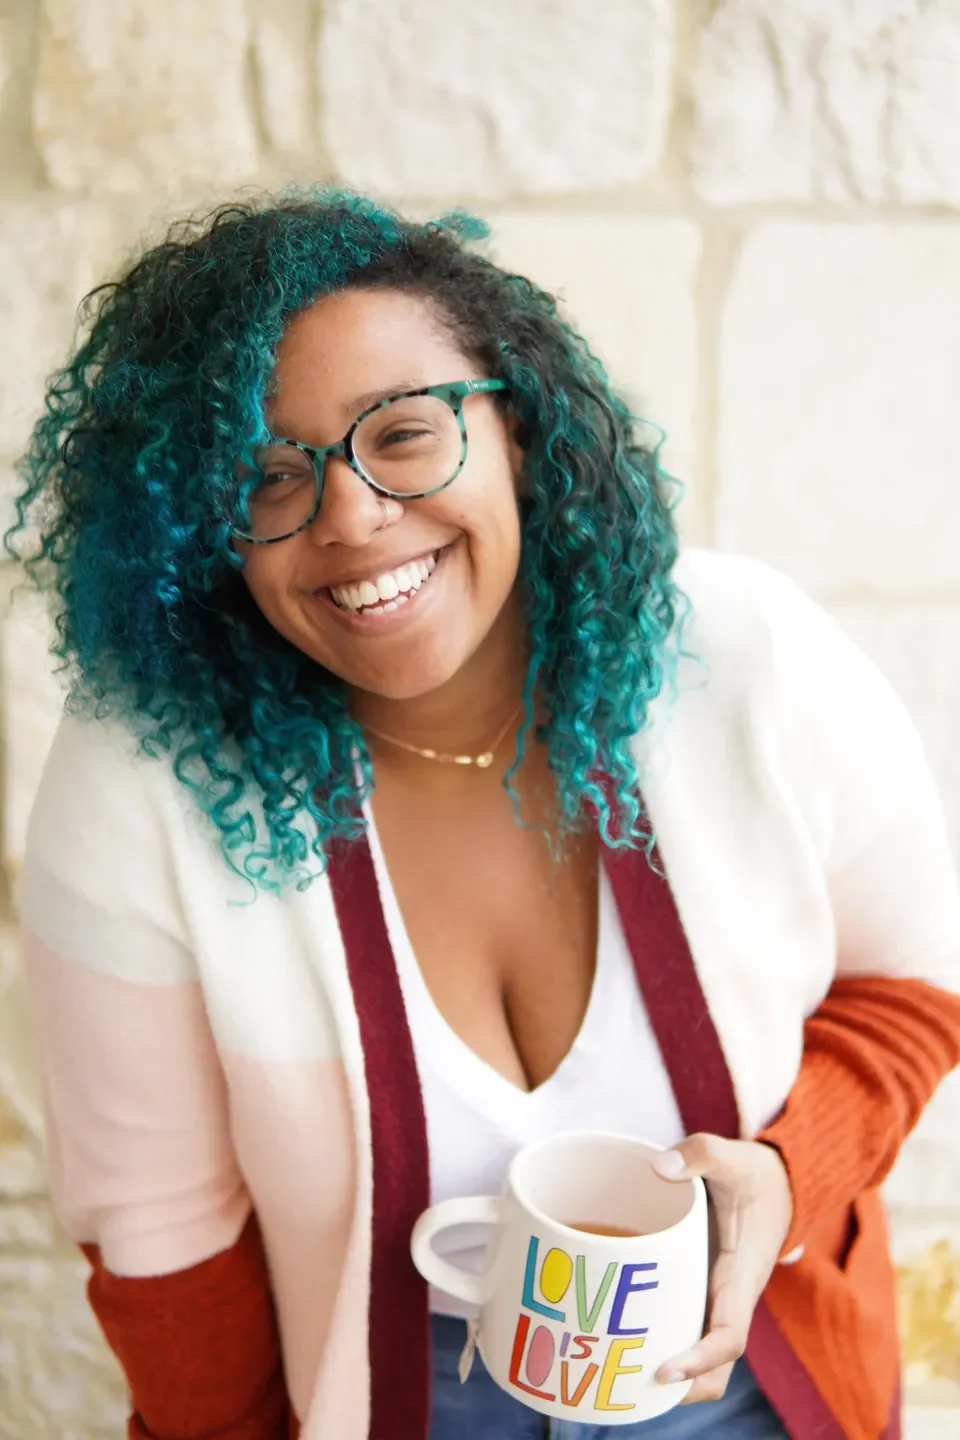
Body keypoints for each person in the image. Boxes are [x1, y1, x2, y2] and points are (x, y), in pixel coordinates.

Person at [11, 191, 960, 1440]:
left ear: (515, 423)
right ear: (198, 533)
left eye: (402, 435)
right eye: (266, 476)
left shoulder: (748, 659)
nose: (349, 517)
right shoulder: (139, 782)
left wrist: (795, 1171)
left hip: (751, 1399)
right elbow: (167, 1245)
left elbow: (913, 991)